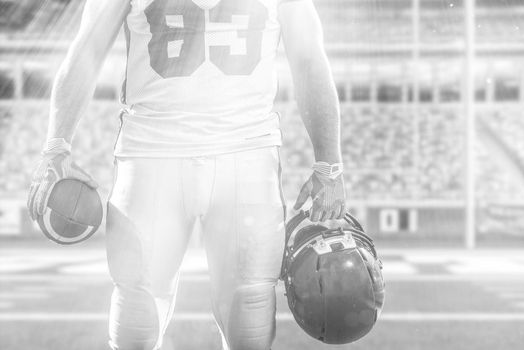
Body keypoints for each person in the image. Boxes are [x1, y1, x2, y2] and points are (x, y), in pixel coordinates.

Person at [25, 0, 346, 349]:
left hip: (206, 156)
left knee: (243, 321)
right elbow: (309, 61)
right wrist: (327, 166)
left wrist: (56, 147)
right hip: (178, 156)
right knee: (142, 321)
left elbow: (87, 49)